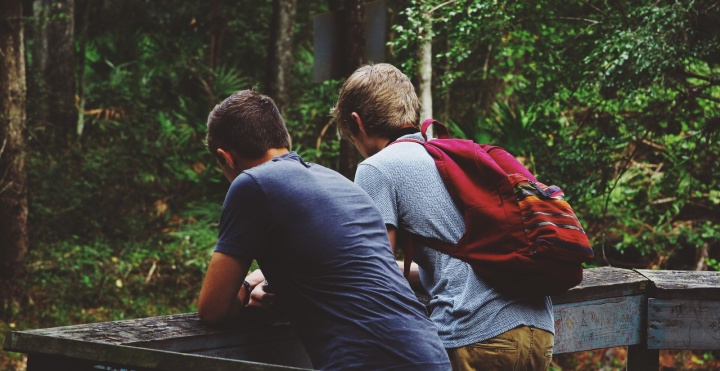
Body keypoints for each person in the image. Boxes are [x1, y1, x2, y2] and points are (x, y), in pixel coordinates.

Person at [198, 89, 451, 371]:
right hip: (430, 354)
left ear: (226, 158)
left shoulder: (252, 184)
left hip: (367, 361)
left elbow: (213, 309)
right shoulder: (340, 184)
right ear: (284, 139)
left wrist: (245, 287)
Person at [332, 63, 555, 371]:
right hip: (538, 332)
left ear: (357, 123)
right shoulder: (449, 159)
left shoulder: (376, 168)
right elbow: (450, 263)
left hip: (474, 335)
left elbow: (374, 275)